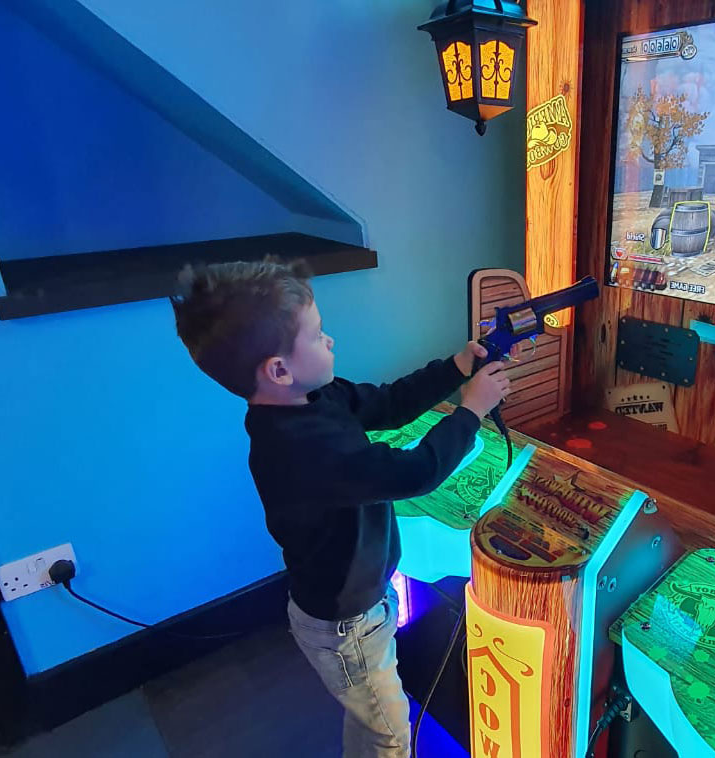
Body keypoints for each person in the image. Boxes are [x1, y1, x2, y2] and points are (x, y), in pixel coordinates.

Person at [170, 257, 512, 757]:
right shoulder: (303, 449)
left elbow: (390, 402)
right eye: (318, 333)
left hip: (357, 608)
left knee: (372, 718)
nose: (330, 341)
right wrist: (471, 411)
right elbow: (416, 472)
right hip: (346, 626)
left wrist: (456, 368)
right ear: (278, 369)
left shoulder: (315, 398)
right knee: (390, 734)